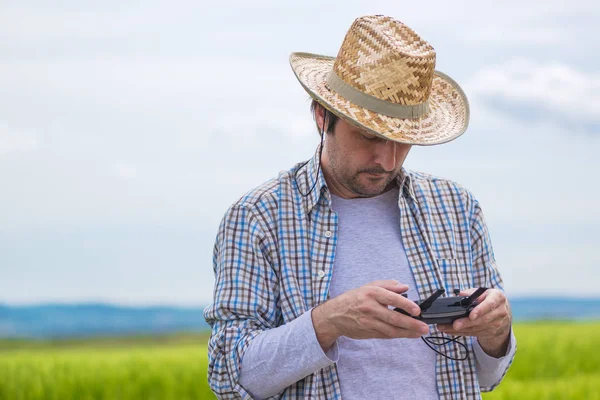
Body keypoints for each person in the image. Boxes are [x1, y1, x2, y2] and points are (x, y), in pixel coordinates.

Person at [204, 15, 516, 400]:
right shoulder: (257, 218)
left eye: (402, 140)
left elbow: (486, 377)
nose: (386, 159)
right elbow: (227, 375)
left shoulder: (456, 208)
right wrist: (328, 322)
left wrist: (496, 333)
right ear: (322, 115)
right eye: (369, 135)